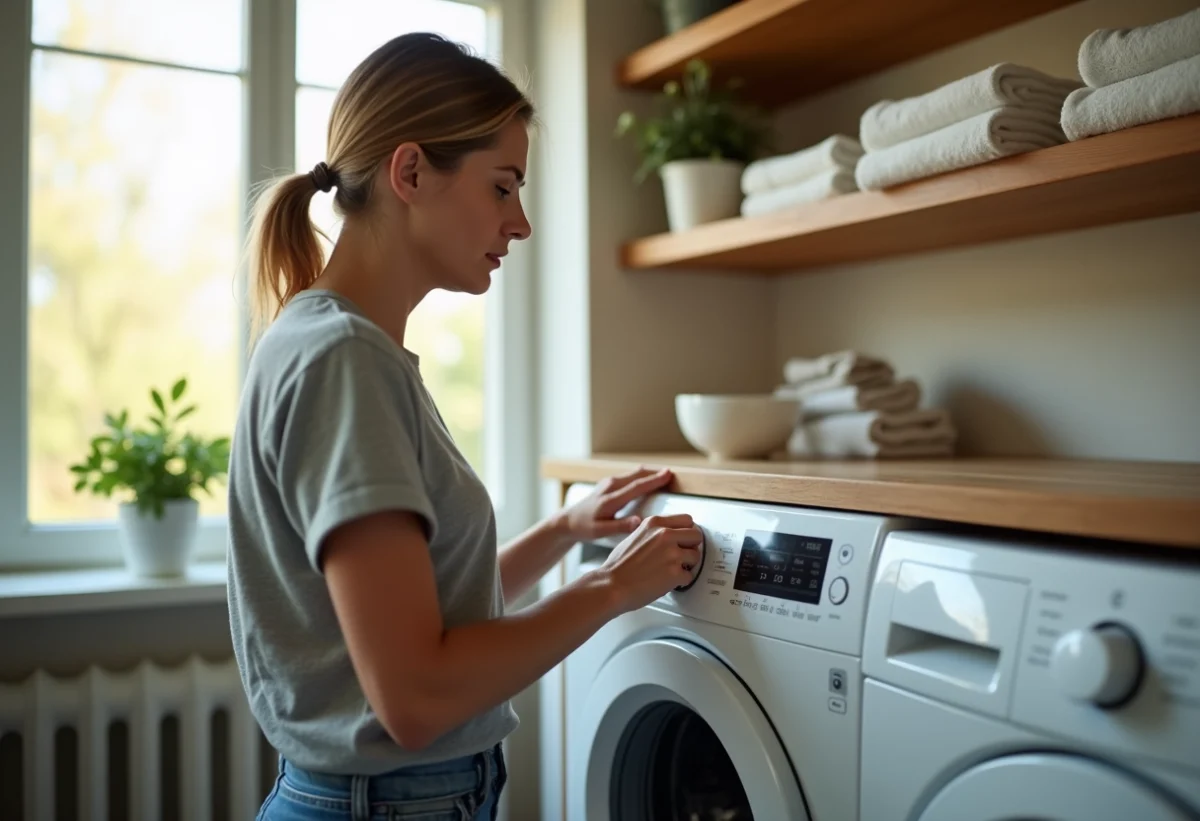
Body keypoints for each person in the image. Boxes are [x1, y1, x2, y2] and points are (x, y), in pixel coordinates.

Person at [225, 32, 703, 821]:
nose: (520, 224)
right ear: (410, 172)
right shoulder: (346, 360)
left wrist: (561, 531)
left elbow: (430, 609)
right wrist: (612, 585)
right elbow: (415, 692)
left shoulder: (335, 341)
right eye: (503, 187)